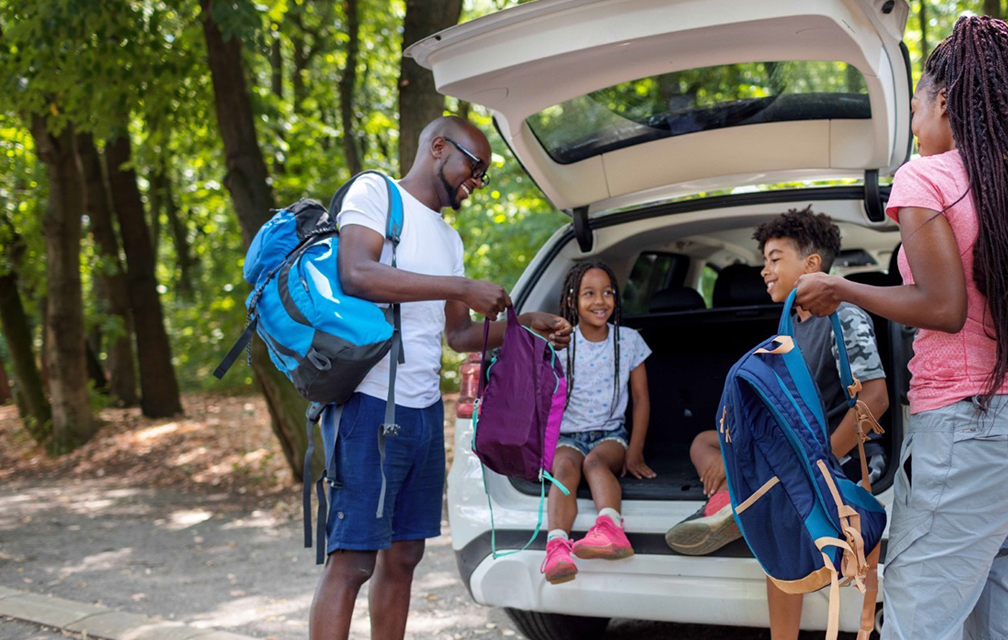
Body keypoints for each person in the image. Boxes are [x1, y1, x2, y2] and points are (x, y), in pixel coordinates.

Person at [794, 16, 1008, 640]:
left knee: (920, 620)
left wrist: (842, 287)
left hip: (970, 433)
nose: (917, 125)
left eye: (918, 105)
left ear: (945, 100)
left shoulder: (927, 178)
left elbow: (944, 307)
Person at [309, 115, 571, 640]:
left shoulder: (449, 240)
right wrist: (459, 284)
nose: (477, 182)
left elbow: (458, 336)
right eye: (474, 169)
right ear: (437, 148)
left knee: (405, 556)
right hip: (368, 405)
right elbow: (356, 272)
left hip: (423, 412)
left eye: (483, 176)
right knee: (354, 561)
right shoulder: (377, 193)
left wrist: (525, 327)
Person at [664, 207, 889, 639]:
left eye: (774, 258)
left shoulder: (841, 316)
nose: (763, 270)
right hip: (794, 447)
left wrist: (817, 464)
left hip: (830, 453)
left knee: (785, 517)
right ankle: (731, 496)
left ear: (811, 265)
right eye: (764, 260)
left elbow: (875, 399)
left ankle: (735, 498)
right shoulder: (790, 324)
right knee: (705, 441)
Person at [540, 260, 655, 584]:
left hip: (610, 436)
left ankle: (610, 528)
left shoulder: (629, 340)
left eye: (607, 293)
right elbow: (547, 402)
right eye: (589, 294)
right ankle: (557, 547)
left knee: (594, 464)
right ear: (572, 300)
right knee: (564, 472)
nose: (600, 301)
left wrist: (635, 452)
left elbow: (641, 399)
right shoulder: (561, 345)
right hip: (568, 437)